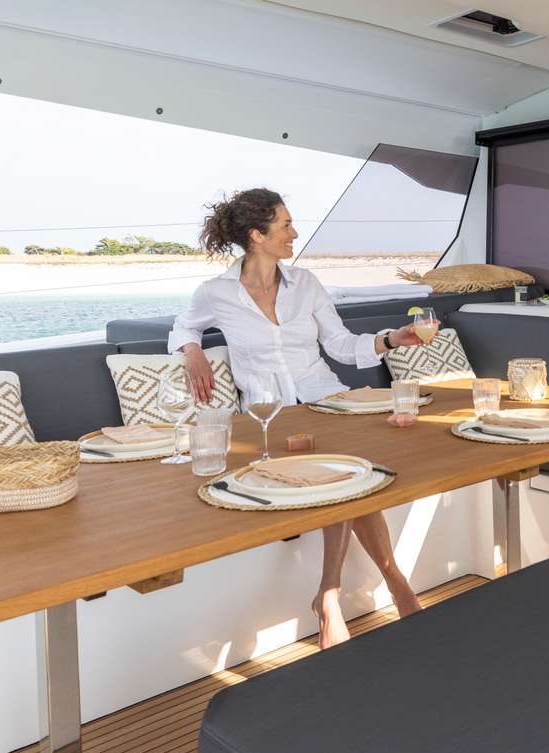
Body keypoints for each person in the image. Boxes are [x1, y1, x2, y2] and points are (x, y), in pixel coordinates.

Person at [169, 187, 431, 648]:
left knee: (356, 475)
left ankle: (332, 594)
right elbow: (184, 325)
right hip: (270, 416)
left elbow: (340, 345)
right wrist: (193, 352)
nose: (294, 233)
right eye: (285, 225)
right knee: (345, 477)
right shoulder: (217, 293)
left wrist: (393, 339)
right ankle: (380, 584)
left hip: (326, 400)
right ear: (257, 235)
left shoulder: (306, 283)